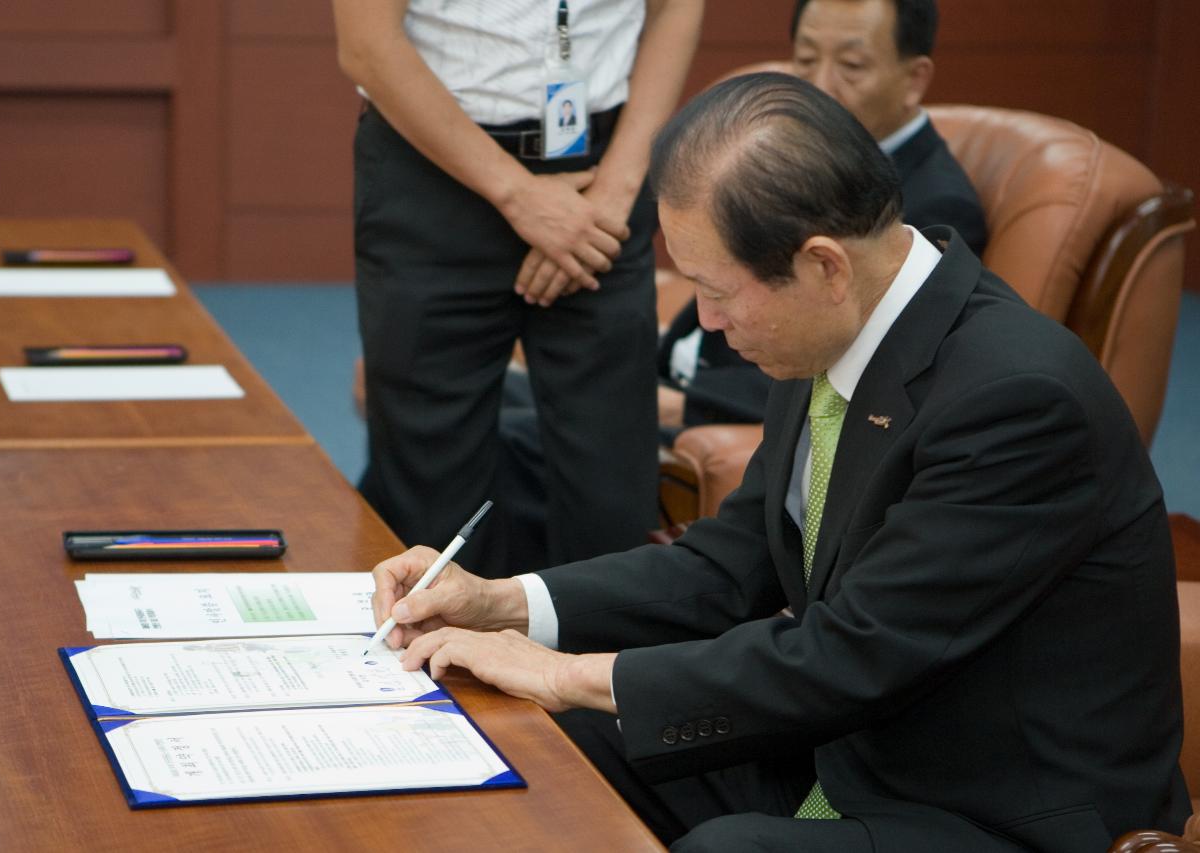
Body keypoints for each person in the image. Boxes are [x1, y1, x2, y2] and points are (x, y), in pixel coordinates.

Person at [368, 73, 1189, 851]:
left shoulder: (1019, 401)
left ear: (824, 265)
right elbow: (729, 568)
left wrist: (566, 671)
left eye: (715, 289)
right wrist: (507, 603)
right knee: (538, 743)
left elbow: (851, 652)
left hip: (1001, 810)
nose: (707, 322)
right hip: (849, 748)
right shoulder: (836, 335)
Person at [330, 0, 704, 579]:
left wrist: (617, 193)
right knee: (432, 484)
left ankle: (595, 665)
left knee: (611, 480)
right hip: (435, 167)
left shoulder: (610, 193)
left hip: (603, 173)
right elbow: (367, 45)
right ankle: (443, 665)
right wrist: (520, 198)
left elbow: (676, 8)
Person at [659, 0, 987, 433]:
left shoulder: (931, 204)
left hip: (706, 412)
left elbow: (851, 364)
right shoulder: (776, 159)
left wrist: (674, 405)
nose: (820, 85)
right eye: (806, 60)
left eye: (851, 65)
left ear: (914, 79)